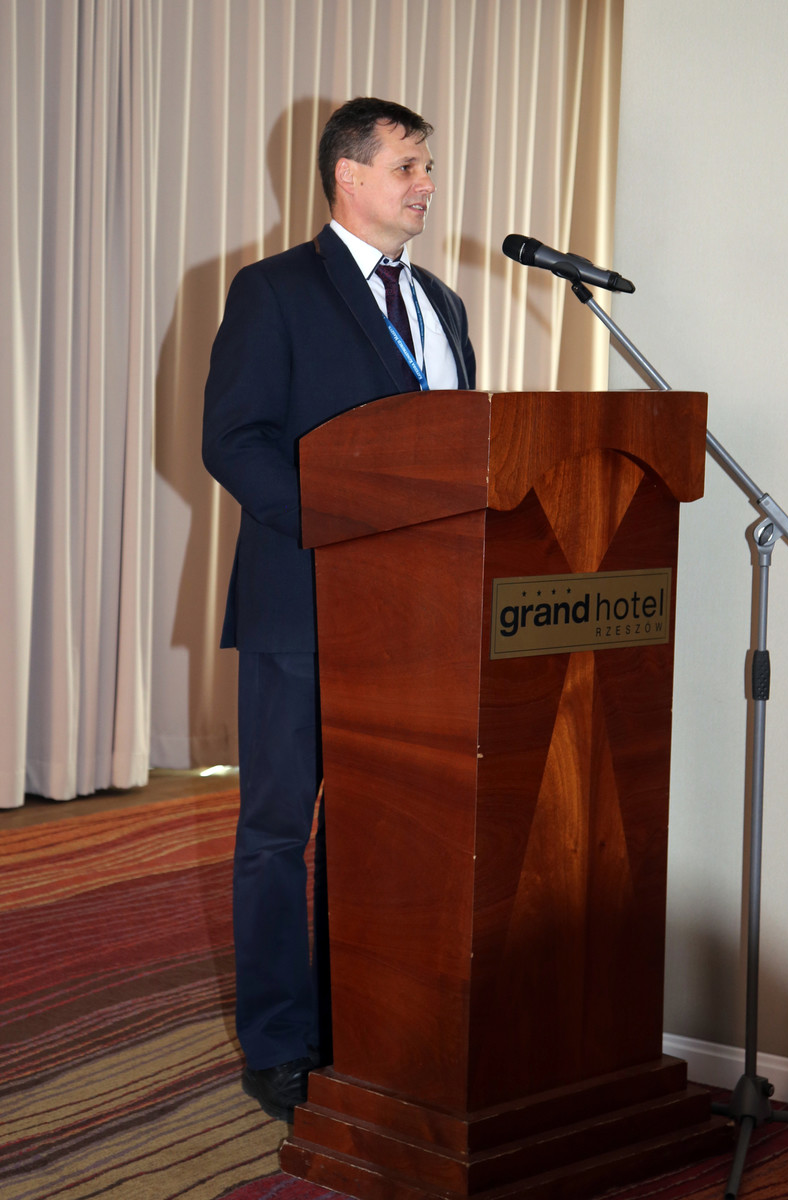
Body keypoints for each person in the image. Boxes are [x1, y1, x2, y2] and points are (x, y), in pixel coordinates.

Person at [202, 96, 475, 1122]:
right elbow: (233, 440)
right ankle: (279, 1042)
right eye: (407, 165)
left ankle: (361, 1020)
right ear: (347, 176)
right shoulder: (273, 290)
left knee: (383, 830)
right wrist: (335, 529)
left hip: (419, 619)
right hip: (302, 606)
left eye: (428, 166)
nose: (426, 184)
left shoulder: (443, 305)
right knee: (281, 831)